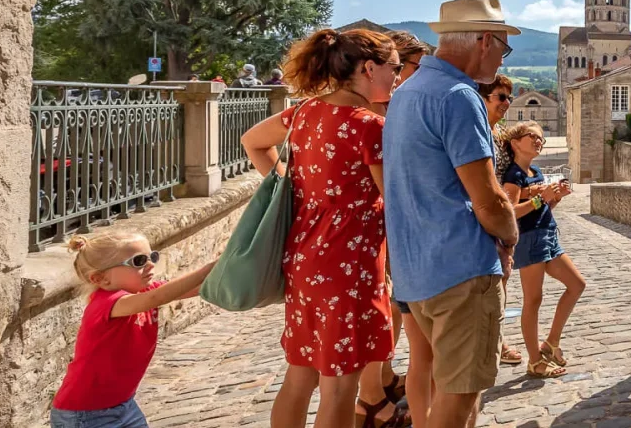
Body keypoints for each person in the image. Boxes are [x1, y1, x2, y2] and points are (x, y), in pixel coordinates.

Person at [240, 28, 400, 428]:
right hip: (349, 268)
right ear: (368, 68)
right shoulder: (368, 125)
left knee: (300, 375)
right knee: (340, 388)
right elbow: (396, 202)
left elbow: (252, 141)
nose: (397, 77)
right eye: (394, 68)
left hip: (306, 259)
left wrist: (289, 187)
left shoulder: (305, 111)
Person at [384, 0, 521, 428]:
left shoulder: (406, 91)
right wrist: (509, 238)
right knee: (458, 403)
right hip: (460, 269)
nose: (502, 56)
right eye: (503, 46)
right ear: (484, 40)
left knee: (444, 390)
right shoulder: (459, 96)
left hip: (415, 269)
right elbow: (489, 198)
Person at [354, 29, 437, 426]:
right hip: (383, 228)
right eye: (411, 67)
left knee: (391, 310)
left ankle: (383, 382)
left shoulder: (388, 108)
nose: (417, 75)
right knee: (386, 311)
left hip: (385, 228)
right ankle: (372, 399)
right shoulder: (375, 115)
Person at [50, 233, 216, 428]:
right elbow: (157, 298)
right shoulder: (107, 303)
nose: (150, 265)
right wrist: (206, 270)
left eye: (151, 257)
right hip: (84, 415)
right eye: (138, 261)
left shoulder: (143, 291)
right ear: (101, 279)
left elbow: (196, 288)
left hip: (124, 405)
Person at [502, 121, 583, 379]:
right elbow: (510, 213)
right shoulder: (514, 175)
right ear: (515, 143)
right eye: (532, 137)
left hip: (548, 235)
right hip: (529, 240)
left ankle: (550, 343)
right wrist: (539, 198)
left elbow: (543, 209)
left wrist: (554, 198)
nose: (538, 141)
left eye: (541, 139)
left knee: (577, 285)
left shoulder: (535, 171)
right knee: (533, 301)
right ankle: (535, 361)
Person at [478, 74, 525, 367]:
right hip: (488, 217)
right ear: (483, 99)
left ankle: (497, 339)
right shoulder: (482, 132)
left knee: (501, 283)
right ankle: (496, 342)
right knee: (493, 284)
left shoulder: (497, 134)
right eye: (500, 97)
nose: (507, 103)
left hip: (500, 216)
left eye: (509, 97)